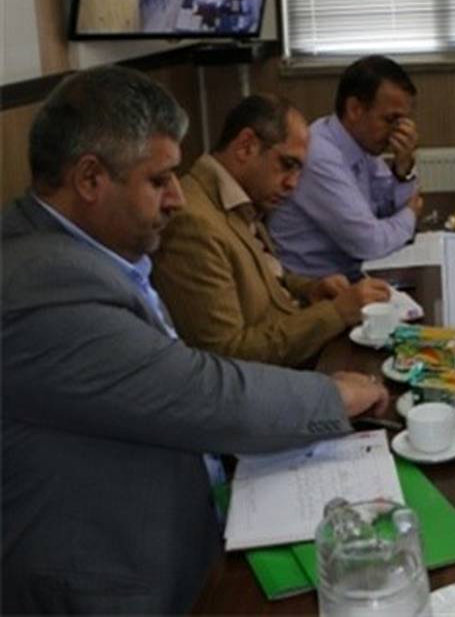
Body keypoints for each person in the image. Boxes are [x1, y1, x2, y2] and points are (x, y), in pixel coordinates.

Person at [1, 67, 389, 613]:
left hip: (179, 527)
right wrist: (335, 395)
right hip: (114, 585)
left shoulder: (81, 254)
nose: (178, 199)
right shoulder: (42, 288)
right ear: (89, 179)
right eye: (159, 180)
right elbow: (201, 393)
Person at [152, 95, 392, 366]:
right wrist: (335, 312)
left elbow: (263, 277)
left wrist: (310, 289)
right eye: (288, 165)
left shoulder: (238, 198)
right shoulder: (193, 224)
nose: (293, 184)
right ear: (246, 146)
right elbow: (226, 357)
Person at [270, 55, 423, 279]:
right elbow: (369, 243)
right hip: (312, 288)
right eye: (391, 120)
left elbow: (387, 211)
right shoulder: (319, 156)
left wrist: (403, 169)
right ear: (354, 109)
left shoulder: (361, 143)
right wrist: (410, 215)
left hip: (351, 276)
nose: (397, 132)